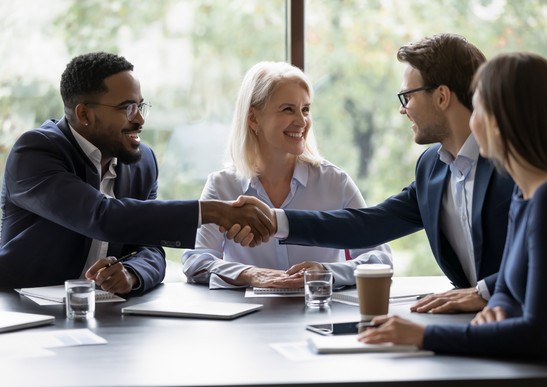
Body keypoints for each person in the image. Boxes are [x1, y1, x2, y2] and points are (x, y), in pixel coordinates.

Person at [232, 33, 514, 313]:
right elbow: (368, 225)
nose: (403, 110)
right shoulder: (432, 168)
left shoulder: (516, 162)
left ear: (441, 97)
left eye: (407, 96)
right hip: (472, 324)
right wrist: (273, 219)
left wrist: (485, 291)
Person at [358, 52, 547, 357]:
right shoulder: (525, 194)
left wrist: (423, 335)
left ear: (502, 121)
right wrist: (497, 310)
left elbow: (539, 337)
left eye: (478, 108)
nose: (471, 121)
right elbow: (506, 291)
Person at [0, 52, 273, 295]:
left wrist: (131, 274)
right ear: (84, 114)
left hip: (105, 315)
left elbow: (151, 249)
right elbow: (101, 216)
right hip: (23, 311)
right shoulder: (35, 153)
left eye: (140, 106)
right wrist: (212, 211)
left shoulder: (142, 163)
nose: (140, 119)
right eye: (127, 107)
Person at [181, 61, 392, 289]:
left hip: (320, 314)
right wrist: (249, 274)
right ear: (253, 118)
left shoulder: (335, 182)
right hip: (248, 320)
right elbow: (196, 260)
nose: (301, 121)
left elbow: (379, 258)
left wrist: (325, 272)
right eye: (288, 109)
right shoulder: (223, 185)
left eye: (306, 110)